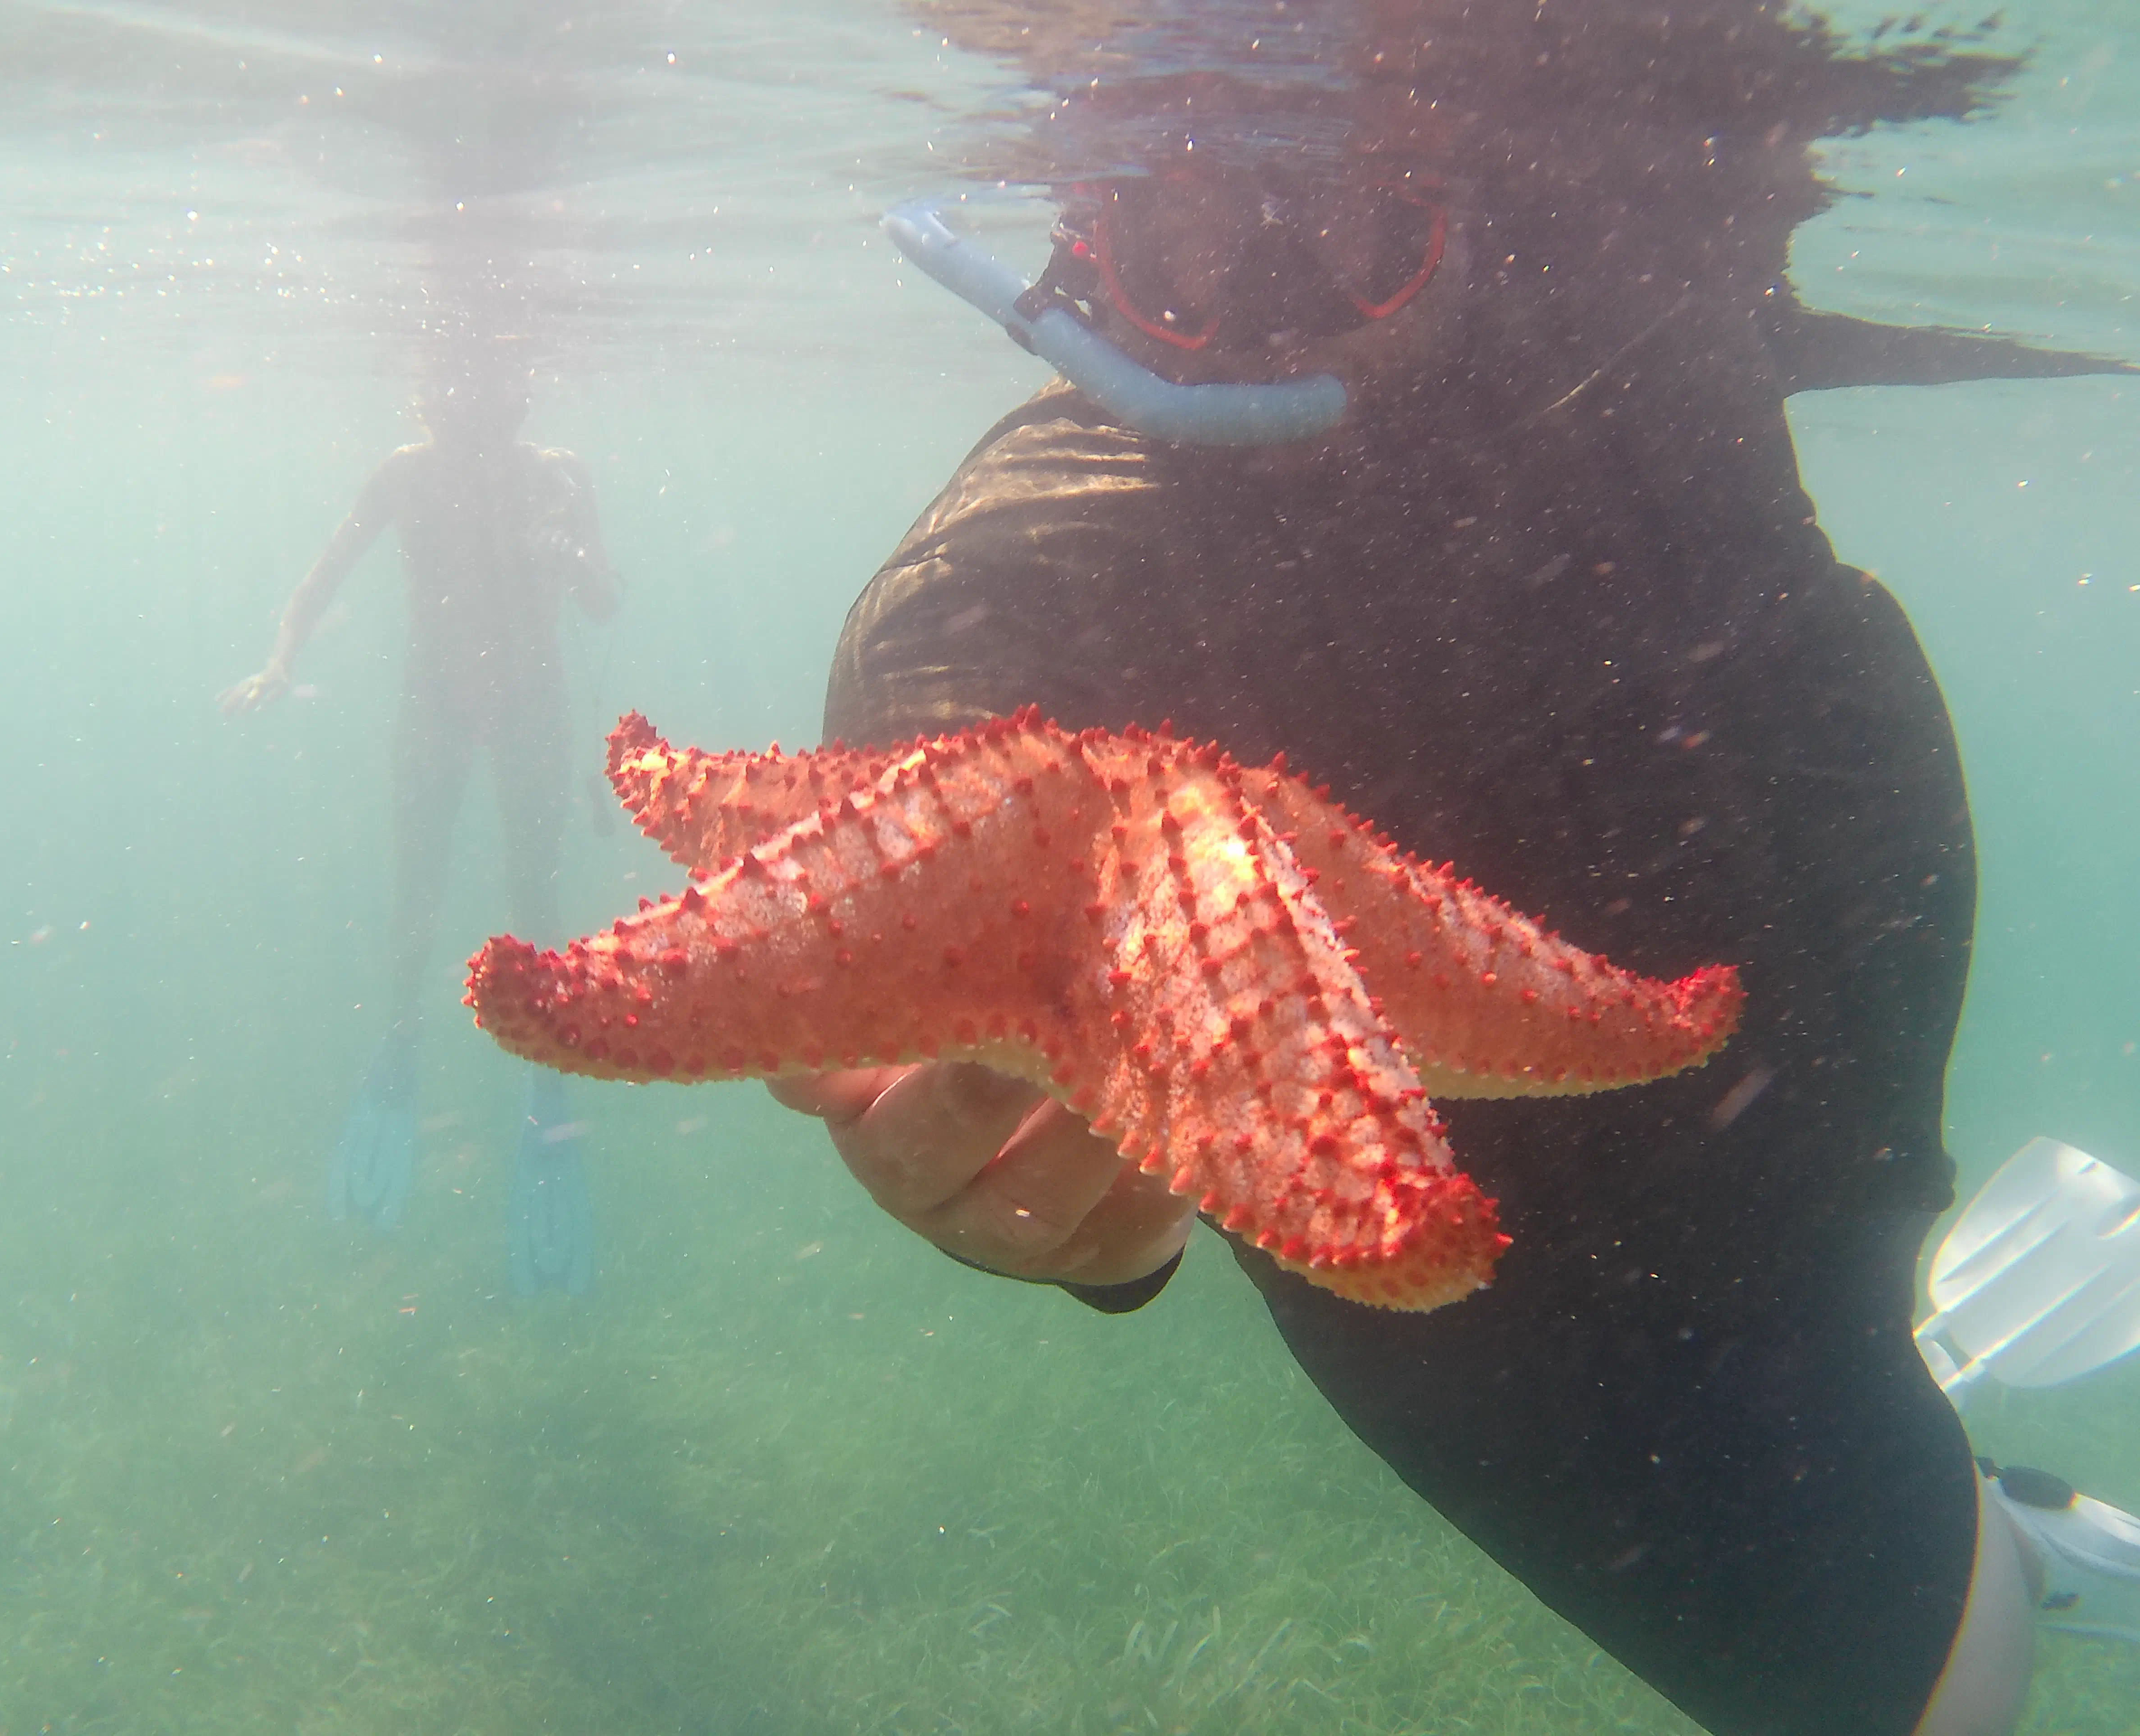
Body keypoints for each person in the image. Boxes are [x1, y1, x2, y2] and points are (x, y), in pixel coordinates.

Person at [761, 9, 2131, 1729]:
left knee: (1872, 1406)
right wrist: (1016, 1155)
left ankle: (1927, 1458)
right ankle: (1973, 1530)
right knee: (1917, 1706)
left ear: (1463, 205)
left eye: (1358, 232)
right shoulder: (1017, 580)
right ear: (1078, 248)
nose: (1266, 311)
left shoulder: (1625, 275)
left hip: (1837, 1052)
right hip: (1483, 1261)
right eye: (1184, 244)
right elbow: (934, 825)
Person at [222, 367, 616, 1296]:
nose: (469, 426)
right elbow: (324, 575)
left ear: (510, 405)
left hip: (520, 706)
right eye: (454, 410)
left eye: (486, 407)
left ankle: (535, 1075)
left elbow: (603, 602)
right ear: (432, 410)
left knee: (531, 897)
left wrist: (566, 553)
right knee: (423, 893)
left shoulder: (552, 475)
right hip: (442, 705)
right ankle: (410, 1046)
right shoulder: (408, 475)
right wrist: (279, 661)